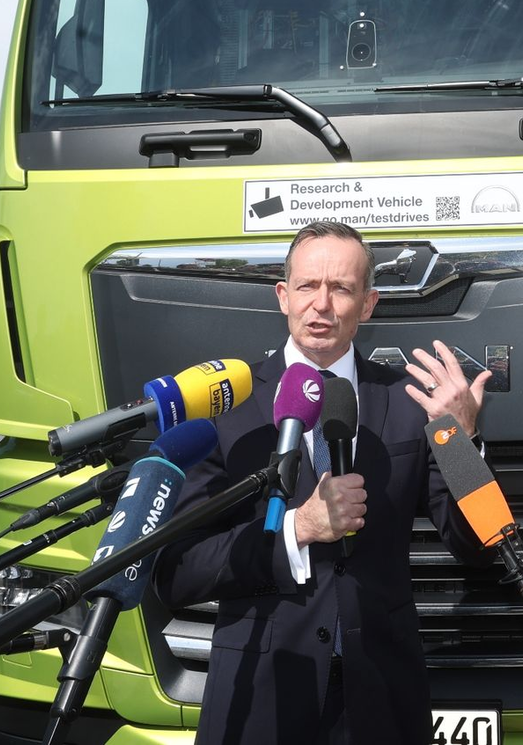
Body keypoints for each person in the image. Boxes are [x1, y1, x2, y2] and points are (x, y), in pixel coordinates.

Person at [154, 221, 491, 744]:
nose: (323, 305)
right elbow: (177, 573)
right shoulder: (225, 408)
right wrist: (299, 528)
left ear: (369, 304)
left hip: (383, 702)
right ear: (283, 296)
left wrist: (461, 441)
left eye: (342, 289)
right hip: (260, 699)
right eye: (309, 286)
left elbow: (479, 548)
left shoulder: (410, 404)